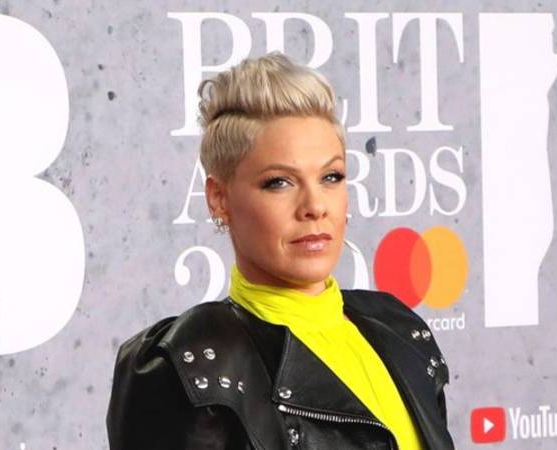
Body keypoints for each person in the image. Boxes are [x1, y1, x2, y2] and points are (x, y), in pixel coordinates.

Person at [106, 51, 454, 450]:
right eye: (279, 182)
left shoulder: (400, 331)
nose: (315, 206)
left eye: (331, 176)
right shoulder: (191, 366)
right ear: (219, 198)